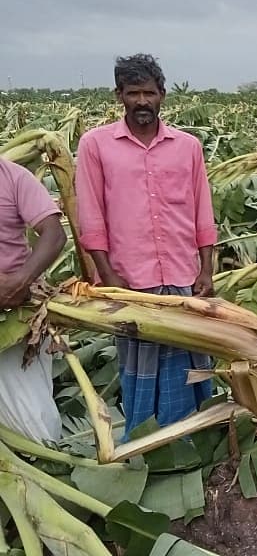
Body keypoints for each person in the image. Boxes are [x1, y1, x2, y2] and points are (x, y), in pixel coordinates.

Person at [75, 54, 217, 437]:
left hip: (182, 274)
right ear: (119, 95)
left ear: (162, 96)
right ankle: (147, 436)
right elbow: (91, 215)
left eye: (149, 93)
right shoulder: (95, 145)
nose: (142, 101)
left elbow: (202, 209)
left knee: (191, 357)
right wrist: (108, 276)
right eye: (133, 93)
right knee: (141, 363)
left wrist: (206, 269)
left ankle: (196, 432)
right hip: (129, 279)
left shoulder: (187, 147)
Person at [0, 159, 66, 442]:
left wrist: (21, 279)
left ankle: (45, 468)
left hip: (15, 310)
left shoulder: (13, 177)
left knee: (30, 418)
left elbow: (54, 233)